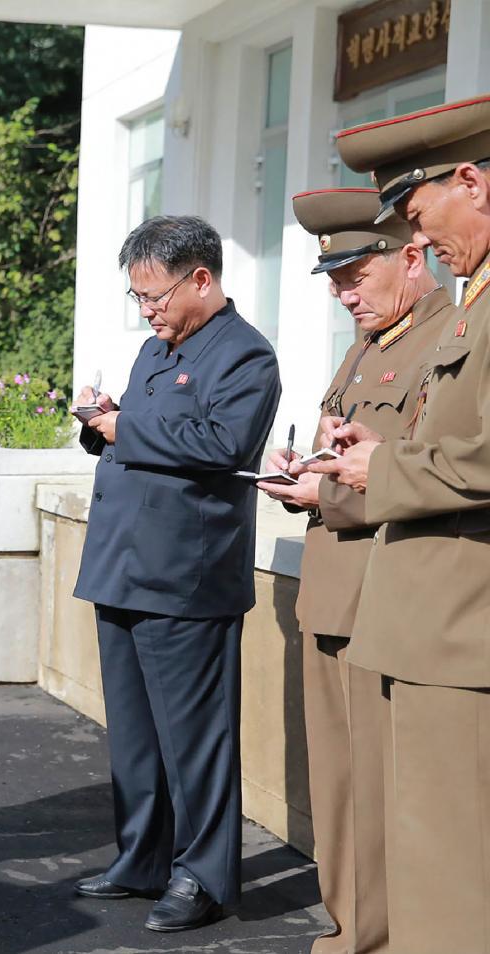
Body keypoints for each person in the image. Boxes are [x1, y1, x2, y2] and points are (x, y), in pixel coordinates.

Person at [308, 92, 490, 954]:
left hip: (460, 627)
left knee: (449, 879)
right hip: (426, 625)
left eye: (419, 215)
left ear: (470, 180)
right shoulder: (476, 299)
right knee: (427, 866)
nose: (425, 239)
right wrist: (385, 451)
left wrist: (380, 467)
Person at [70, 215, 281, 932]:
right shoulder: (154, 352)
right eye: (137, 299)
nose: (147, 311)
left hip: (186, 580)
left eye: (155, 296)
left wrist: (123, 427)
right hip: (124, 565)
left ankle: (203, 876)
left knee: (194, 741)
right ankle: (143, 857)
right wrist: (103, 418)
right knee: (134, 735)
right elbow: (144, 435)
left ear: (202, 278)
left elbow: (222, 444)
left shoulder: (246, 356)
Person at [256, 188, 450, 954]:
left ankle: (381, 940)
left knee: (386, 795)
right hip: (334, 593)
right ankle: (351, 934)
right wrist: (304, 459)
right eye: (333, 281)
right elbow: (357, 450)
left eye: (355, 276)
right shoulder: (368, 341)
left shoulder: (446, 338)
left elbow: (425, 476)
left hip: (388, 596)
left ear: (413, 253)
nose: (343, 295)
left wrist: (325, 488)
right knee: (338, 794)